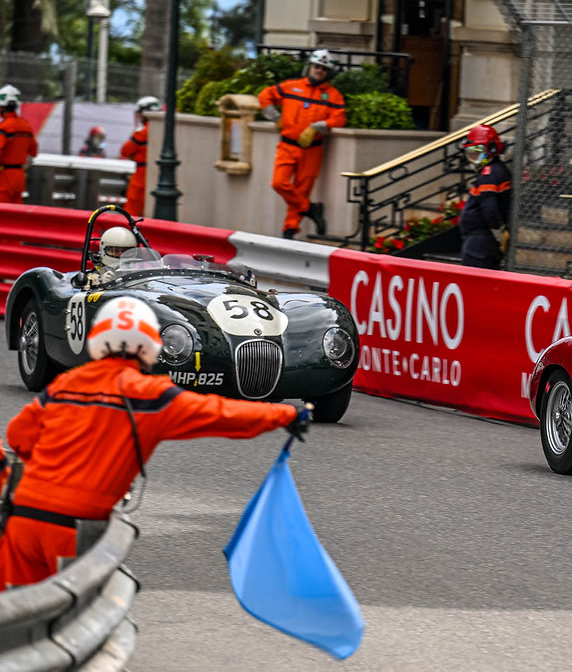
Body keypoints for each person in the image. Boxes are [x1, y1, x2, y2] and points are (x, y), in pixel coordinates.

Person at [0, 296, 311, 588]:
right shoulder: (152, 397)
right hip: (75, 527)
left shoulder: (64, 386)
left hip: (24, 516)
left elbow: (18, 436)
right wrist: (284, 415)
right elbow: (224, 414)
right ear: (149, 346)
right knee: (68, 622)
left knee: (15, 618)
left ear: (96, 341)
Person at [258, 49, 346, 240]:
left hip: (312, 150)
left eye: (323, 69)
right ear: (309, 67)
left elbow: (339, 119)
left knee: (301, 189)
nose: (319, 71)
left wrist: (318, 127)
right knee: (279, 183)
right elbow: (265, 96)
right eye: (316, 66)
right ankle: (310, 209)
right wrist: (275, 117)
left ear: (328, 72)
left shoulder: (333, 95)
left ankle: (289, 230)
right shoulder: (291, 87)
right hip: (287, 146)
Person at [457, 124, 512, 269]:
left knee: (473, 284)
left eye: (478, 152)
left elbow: (489, 207)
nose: (474, 158)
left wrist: (498, 232)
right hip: (482, 239)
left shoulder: (489, 174)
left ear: (492, 150)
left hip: (481, 242)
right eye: (471, 153)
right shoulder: (496, 170)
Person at [120, 96, 160, 217]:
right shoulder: (161, 129)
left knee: (132, 210)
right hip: (158, 174)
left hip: (142, 175)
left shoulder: (142, 133)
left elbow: (125, 150)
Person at [0, 84, 38, 204]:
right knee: (15, 214)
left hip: (4, 176)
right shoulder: (25, 126)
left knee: (3, 213)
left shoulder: (4, 127)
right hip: (19, 176)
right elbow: (33, 151)